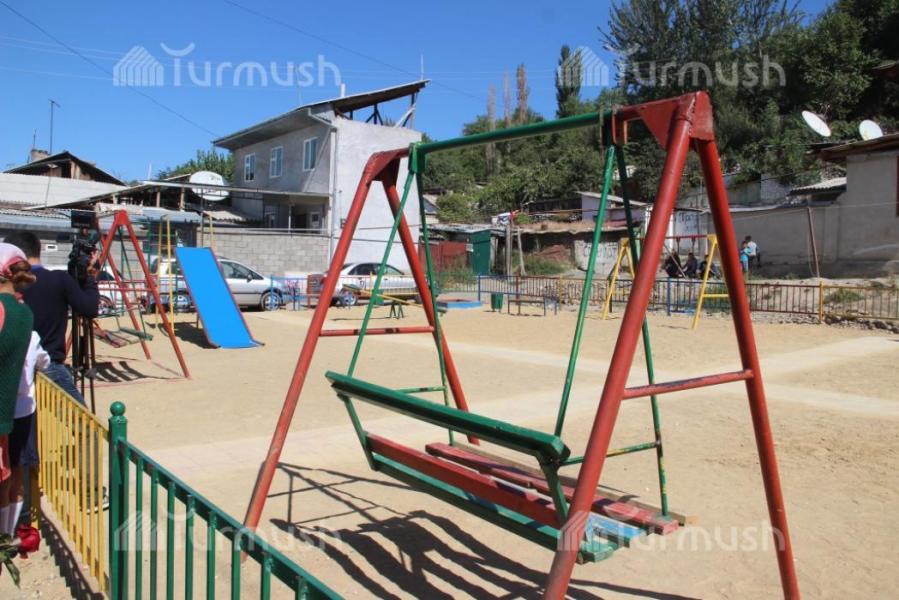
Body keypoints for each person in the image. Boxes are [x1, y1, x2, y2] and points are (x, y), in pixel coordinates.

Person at [3, 231, 99, 407]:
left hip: (13, 367)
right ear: (37, 249)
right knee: (83, 422)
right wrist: (89, 277)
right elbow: (90, 308)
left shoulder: (8, 287)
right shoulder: (59, 279)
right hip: (50, 366)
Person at [0, 243, 37, 533]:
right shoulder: (24, 314)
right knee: (12, 474)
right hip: (13, 411)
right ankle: (7, 536)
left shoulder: (6, 311)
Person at [5, 331, 48, 534]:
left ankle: (8, 531)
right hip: (21, 412)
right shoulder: (29, 335)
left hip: (17, 411)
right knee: (16, 471)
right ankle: (8, 531)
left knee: (11, 473)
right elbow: (44, 361)